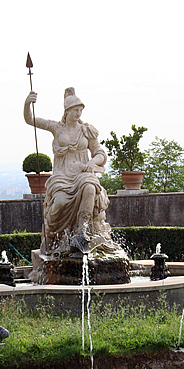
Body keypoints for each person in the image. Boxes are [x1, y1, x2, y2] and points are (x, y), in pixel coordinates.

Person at [24, 87, 114, 255]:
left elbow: (100, 153)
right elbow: (30, 120)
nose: (79, 113)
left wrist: (92, 162)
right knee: (59, 203)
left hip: (82, 174)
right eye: (75, 110)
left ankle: (82, 232)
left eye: (80, 110)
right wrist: (28, 103)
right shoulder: (56, 128)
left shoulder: (87, 130)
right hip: (63, 176)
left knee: (89, 187)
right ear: (67, 111)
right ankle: (57, 237)